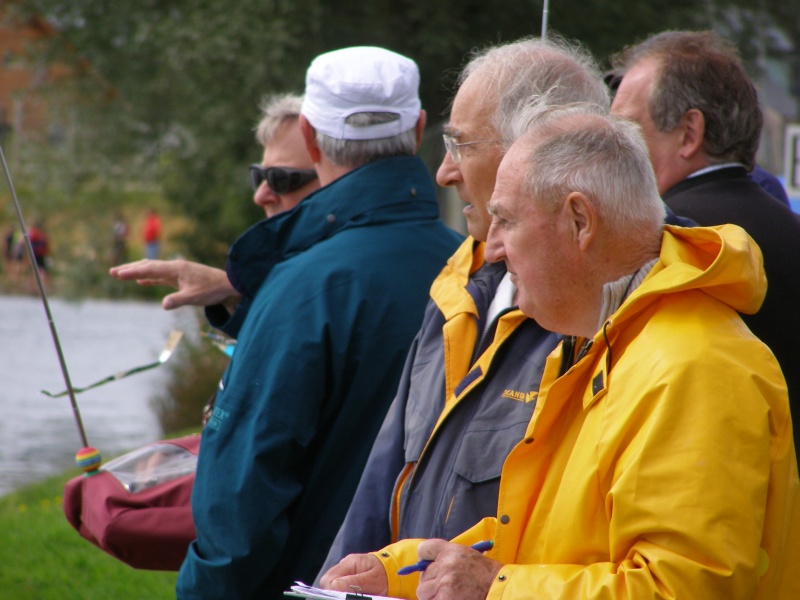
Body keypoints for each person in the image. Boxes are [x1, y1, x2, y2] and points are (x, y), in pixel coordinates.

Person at [323, 105, 800, 600]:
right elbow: (535, 532)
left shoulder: (695, 368)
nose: (492, 249)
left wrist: (494, 589)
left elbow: (681, 588)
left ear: (579, 220)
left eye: (506, 220)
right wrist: (402, 568)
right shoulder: (606, 341)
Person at [173, 46, 462, 599]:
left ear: (308, 136)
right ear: (421, 127)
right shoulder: (478, 268)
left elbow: (241, 510)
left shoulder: (301, 288)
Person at [318, 35, 609, 577]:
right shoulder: (460, 284)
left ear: (538, 148)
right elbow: (381, 489)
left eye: (462, 145)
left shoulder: (610, 317)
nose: (444, 173)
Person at [608, 30, 800, 460]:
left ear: (690, 132)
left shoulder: (659, 241)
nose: (611, 151)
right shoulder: (790, 231)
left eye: (624, 131)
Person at [111, 93, 320, 311]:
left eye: (280, 179)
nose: (259, 196)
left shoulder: (347, 277)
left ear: (332, 174)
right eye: (259, 176)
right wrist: (232, 293)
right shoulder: (299, 274)